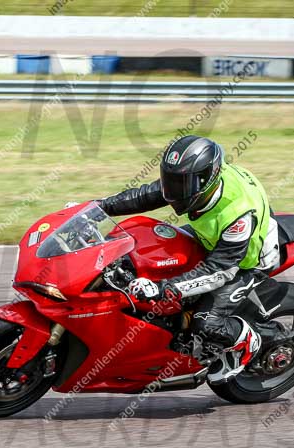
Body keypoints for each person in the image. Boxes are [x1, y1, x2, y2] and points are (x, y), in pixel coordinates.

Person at [96, 135, 280, 383]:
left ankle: (246, 341)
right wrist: (99, 208)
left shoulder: (237, 214)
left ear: (207, 179)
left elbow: (221, 270)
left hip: (243, 264)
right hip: (211, 241)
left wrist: (164, 288)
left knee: (206, 324)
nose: (174, 191)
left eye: (180, 184)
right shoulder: (194, 183)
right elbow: (147, 195)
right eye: (171, 181)